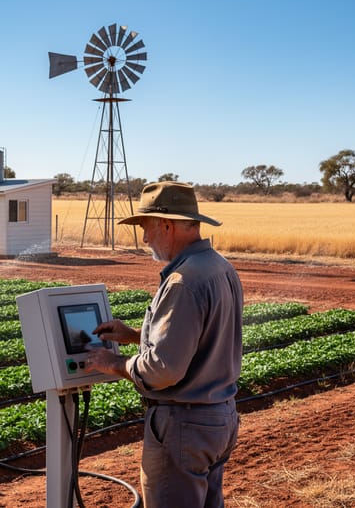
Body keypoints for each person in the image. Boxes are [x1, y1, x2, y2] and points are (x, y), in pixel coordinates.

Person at [87, 181, 243, 508]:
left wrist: (114, 364)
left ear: (167, 226)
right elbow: (201, 337)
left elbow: (163, 370)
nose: (144, 239)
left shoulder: (183, 281)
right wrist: (132, 334)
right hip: (219, 419)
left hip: (184, 426)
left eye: (146, 228)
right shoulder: (219, 267)